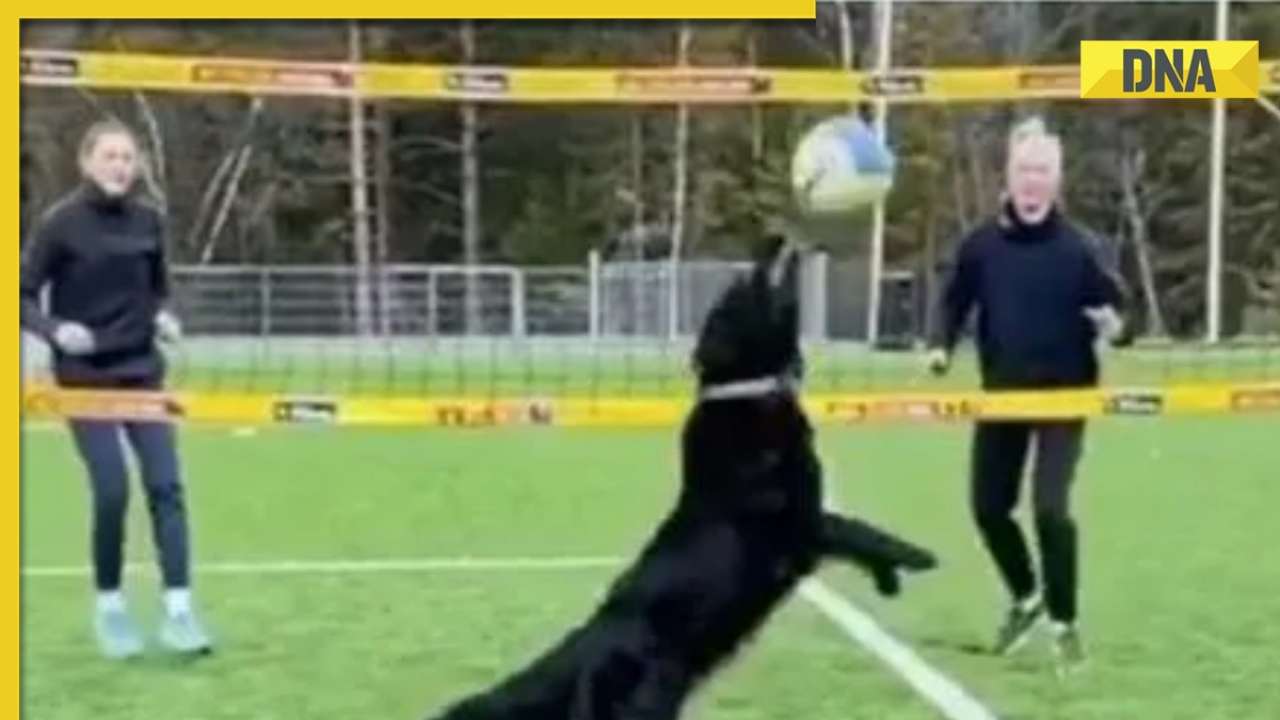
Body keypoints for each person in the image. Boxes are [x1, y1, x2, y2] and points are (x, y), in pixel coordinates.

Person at [927, 117, 1125, 673]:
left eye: (1042, 171)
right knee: (988, 507)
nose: (1032, 182)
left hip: (1066, 397)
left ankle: (1065, 625)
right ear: (1009, 177)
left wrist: (1115, 326)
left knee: (1050, 509)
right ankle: (1026, 595)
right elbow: (952, 303)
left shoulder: (1081, 249)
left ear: (1057, 181)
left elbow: (1117, 313)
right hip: (1003, 395)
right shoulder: (981, 245)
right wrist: (940, 347)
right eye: (1024, 171)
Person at [21, 119, 212, 659]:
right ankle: (111, 607)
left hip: (142, 373)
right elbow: (22, 295)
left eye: (127, 158)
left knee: (167, 487)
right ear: (87, 163)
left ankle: (179, 611)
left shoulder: (149, 221)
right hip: (85, 380)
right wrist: (56, 331)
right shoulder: (61, 224)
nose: (120, 167)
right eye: (109, 157)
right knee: (111, 489)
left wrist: (166, 318)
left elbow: (159, 292)